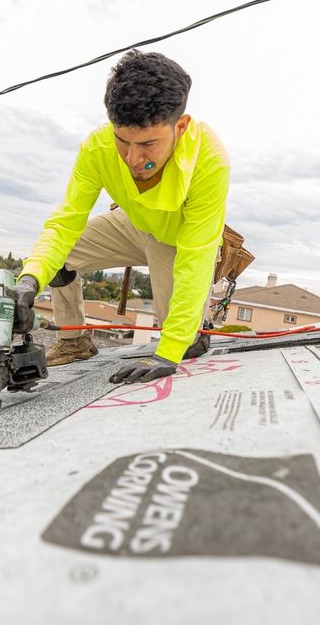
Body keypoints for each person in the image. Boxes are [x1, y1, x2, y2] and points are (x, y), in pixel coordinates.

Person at [13, 49, 230, 384]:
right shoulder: (97, 149)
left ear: (181, 126)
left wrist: (168, 351)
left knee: (184, 339)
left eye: (147, 143)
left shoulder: (210, 160)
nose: (132, 158)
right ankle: (74, 342)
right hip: (135, 223)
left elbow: (197, 256)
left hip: (180, 237)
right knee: (53, 261)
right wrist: (28, 282)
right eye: (122, 141)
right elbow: (65, 223)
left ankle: (196, 332)